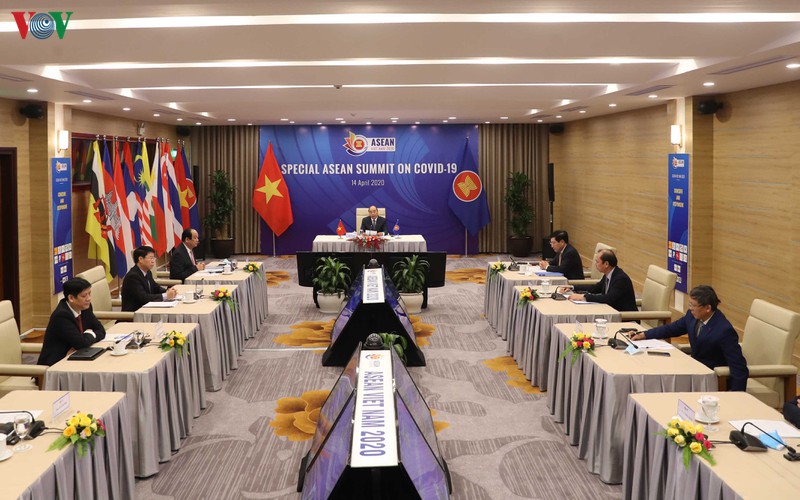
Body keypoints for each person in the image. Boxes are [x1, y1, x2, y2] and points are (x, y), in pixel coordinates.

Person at [631, 285, 749, 391]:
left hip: (709, 378)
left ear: (708, 308)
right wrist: (644, 335)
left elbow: (738, 367)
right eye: (690, 305)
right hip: (692, 370)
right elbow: (672, 328)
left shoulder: (724, 330)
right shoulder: (692, 316)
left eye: (693, 306)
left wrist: (736, 395)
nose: (690, 308)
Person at [37, 277, 107, 366]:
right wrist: (90, 334)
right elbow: (81, 343)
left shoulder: (85, 307)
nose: (88, 298)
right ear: (71, 298)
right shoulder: (61, 315)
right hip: (56, 365)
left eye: (89, 294)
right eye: (84, 296)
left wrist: (87, 337)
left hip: (78, 358)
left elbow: (101, 331)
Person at [569, 249, 637, 312]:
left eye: (597, 262)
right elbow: (595, 288)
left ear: (606, 264)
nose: (595, 264)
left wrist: (583, 297)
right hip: (610, 310)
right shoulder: (608, 274)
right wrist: (572, 287)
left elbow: (608, 298)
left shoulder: (621, 279)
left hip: (624, 316)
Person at [122, 245, 177, 312]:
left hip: (147, 310)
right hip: (135, 313)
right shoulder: (133, 276)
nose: (153, 261)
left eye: (154, 258)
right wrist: (166, 295)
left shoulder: (147, 272)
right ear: (140, 259)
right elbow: (144, 298)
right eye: (151, 258)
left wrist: (168, 291)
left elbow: (155, 287)